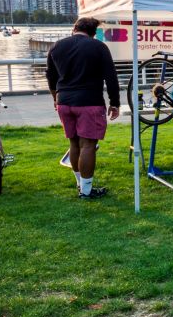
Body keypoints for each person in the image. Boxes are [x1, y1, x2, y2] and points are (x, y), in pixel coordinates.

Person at [46, 17, 121, 199]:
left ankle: (81, 184)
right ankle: (86, 191)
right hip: (89, 101)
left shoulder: (56, 46)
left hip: (64, 100)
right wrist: (115, 102)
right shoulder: (98, 47)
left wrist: (55, 97)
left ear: (75, 28)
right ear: (94, 32)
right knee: (88, 144)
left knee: (73, 142)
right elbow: (111, 77)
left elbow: (51, 76)